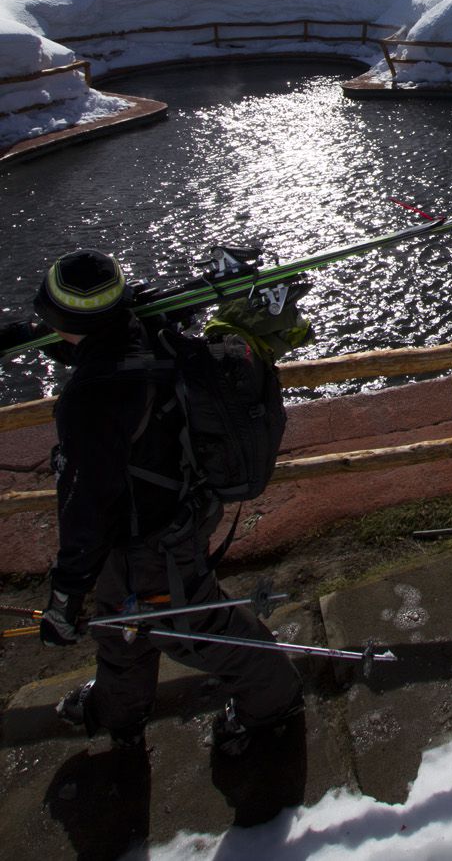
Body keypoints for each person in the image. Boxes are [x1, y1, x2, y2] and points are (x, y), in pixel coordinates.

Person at [29, 249, 303, 756]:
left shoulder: (91, 401)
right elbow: (92, 342)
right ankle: (119, 712)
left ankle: (274, 700)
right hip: (175, 511)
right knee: (121, 628)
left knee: (193, 628)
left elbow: (84, 509)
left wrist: (65, 599)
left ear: (67, 322)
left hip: (150, 544)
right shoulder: (141, 329)